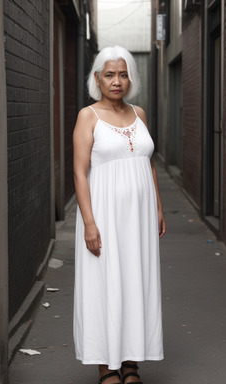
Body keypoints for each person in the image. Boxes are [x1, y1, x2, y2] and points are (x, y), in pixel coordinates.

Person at [73, 46, 166, 384]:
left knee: (135, 281)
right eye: (109, 74)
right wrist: (89, 223)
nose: (116, 81)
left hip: (138, 219)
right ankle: (105, 365)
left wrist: (156, 206)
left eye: (123, 74)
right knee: (105, 282)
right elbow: (80, 173)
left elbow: (148, 162)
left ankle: (130, 361)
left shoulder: (138, 114)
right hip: (106, 217)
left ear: (131, 78)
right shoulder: (89, 116)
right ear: (97, 79)